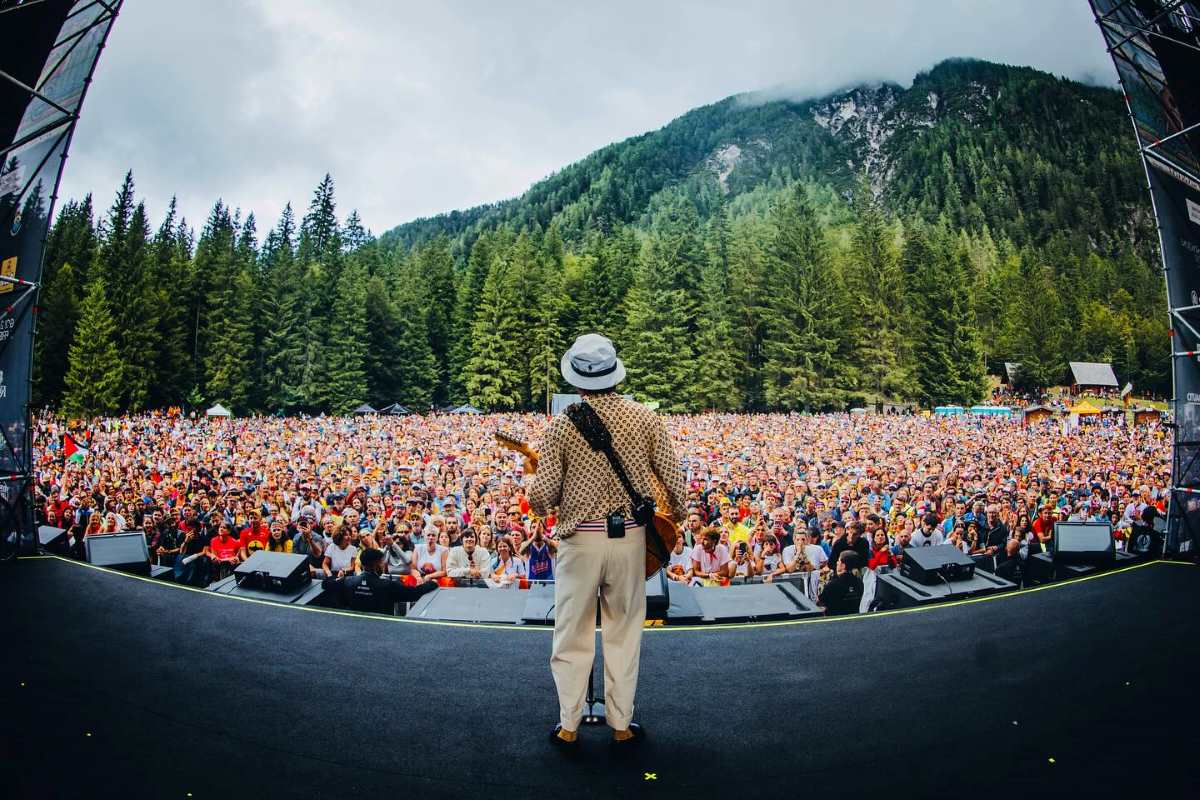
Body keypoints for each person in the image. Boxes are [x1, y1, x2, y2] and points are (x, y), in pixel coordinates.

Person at [527, 333, 686, 750]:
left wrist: (536, 484)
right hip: (631, 540)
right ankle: (620, 726)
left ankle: (569, 726)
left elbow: (541, 499)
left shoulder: (562, 425)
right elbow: (674, 480)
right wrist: (676, 522)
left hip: (580, 542)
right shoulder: (646, 418)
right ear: (614, 373)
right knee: (623, 634)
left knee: (571, 634)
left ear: (577, 379)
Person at [321, 547, 437, 613]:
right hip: (382, 627)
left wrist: (337, 578)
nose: (383, 565)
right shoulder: (389, 585)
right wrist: (431, 583)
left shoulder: (347, 581)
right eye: (382, 562)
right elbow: (414, 594)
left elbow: (326, 584)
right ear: (376, 564)